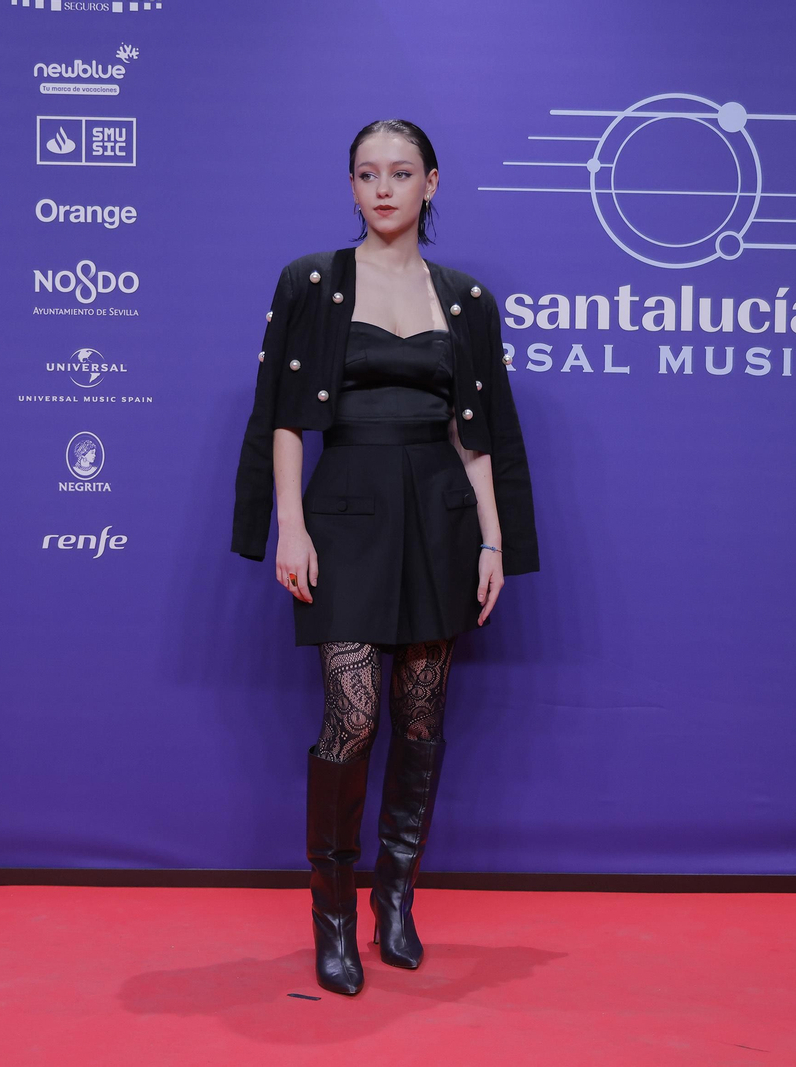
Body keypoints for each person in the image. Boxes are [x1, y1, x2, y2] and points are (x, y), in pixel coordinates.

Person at [232, 119, 538, 996]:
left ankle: (395, 895)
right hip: (345, 516)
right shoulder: (313, 281)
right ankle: (332, 913)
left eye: (401, 173)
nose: (383, 189)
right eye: (367, 173)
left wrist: (492, 540)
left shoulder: (466, 299)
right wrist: (289, 525)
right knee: (351, 718)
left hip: (439, 518)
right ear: (353, 185)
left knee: (421, 720)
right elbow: (285, 417)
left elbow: (476, 437)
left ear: (432, 184)